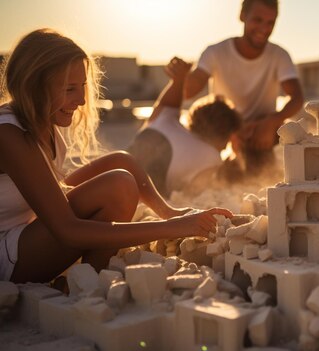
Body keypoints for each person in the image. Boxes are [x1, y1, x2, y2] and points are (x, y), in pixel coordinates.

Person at [0, 29, 233, 284]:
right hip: (7, 255)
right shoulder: (10, 135)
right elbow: (67, 231)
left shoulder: (43, 123)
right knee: (119, 186)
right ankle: (89, 288)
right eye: (69, 89)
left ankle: (87, 283)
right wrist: (178, 227)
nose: (80, 99)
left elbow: (114, 164)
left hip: (24, 235)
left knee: (120, 168)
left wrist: (168, 213)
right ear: (34, 86)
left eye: (83, 87)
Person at [184, 0, 304, 174]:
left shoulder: (279, 55)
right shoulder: (215, 52)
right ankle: (217, 168)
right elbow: (189, 91)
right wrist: (181, 76)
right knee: (203, 133)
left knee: (288, 140)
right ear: (242, 16)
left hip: (261, 131)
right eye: (257, 20)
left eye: (270, 23)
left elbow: (297, 98)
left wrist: (272, 122)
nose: (264, 28)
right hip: (225, 130)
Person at [127, 57, 242, 198]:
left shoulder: (164, 117)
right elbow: (193, 193)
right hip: (138, 195)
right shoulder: (211, 157)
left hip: (118, 171)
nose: (226, 147)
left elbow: (173, 96)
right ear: (224, 136)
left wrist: (180, 78)